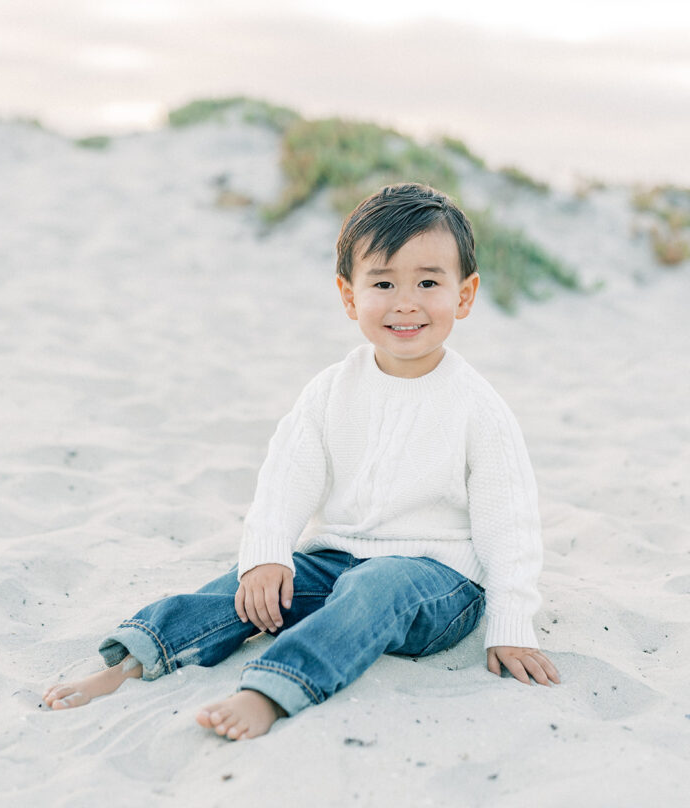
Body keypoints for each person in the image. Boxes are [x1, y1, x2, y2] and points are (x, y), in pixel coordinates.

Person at [43, 182, 560, 739]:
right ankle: (133, 660)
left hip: (438, 586)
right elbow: (286, 480)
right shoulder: (331, 390)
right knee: (253, 587)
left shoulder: (478, 406)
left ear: (464, 294)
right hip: (340, 562)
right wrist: (266, 556)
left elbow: (509, 525)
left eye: (428, 283)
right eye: (383, 283)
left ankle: (272, 689)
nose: (406, 301)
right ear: (349, 296)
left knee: (376, 586)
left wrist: (512, 623)